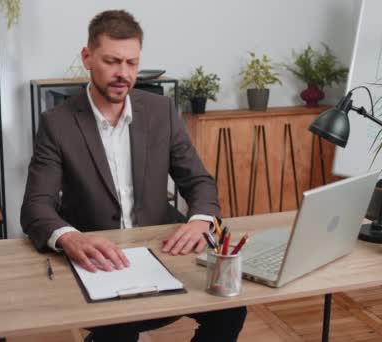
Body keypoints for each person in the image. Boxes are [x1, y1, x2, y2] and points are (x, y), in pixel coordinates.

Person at [21, 9, 246, 342]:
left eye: (131, 63)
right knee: (117, 332)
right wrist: (71, 237)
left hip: (163, 251)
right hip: (101, 263)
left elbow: (199, 182)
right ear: (87, 57)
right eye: (112, 61)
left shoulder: (161, 111)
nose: (122, 74)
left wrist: (201, 221)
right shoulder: (57, 123)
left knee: (231, 309)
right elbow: (35, 207)